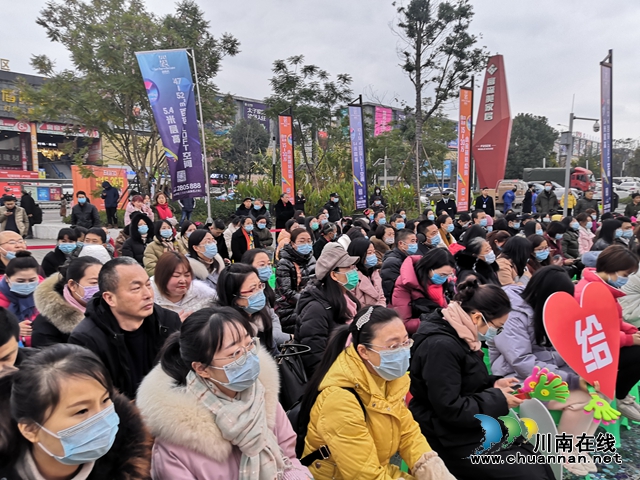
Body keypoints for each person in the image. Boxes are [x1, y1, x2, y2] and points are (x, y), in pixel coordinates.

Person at [136, 307, 310, 479]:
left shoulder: (261, 394)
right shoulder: (176, 442)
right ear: (202, 368)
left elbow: (288, 457)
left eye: (249, 344)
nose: (248, 356)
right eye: (235, 352)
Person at [409, 278, 553, 479]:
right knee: (528, 472)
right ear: (477, 318)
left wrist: (493, 383)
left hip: (464, 427)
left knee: (532, 460)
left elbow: (462, 381)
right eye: (498, 327)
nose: (498, 333)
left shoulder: (460, 333)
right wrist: (499, 399)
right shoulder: (441, 346)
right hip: (446, 435)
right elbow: (451, 408)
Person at [298, 306, 453, 480]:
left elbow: (409, 433)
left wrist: (434, 471)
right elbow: (365, 475)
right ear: (363, 351)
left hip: (377, 468)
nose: (403, 351)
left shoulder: (388, 379)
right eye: (393, 346)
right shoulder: (340, 400)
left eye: (405, 342)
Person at [489, 267, 597, 476]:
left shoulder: (544, 309)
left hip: (542, 372)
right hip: (515, 380)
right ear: (546, 295)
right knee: (582, 398)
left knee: (598, 392)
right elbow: (521, 361)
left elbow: (556, 350)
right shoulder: (513, 315)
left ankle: (579, 445)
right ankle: (565, 450)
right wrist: (571, 379)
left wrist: (582, 374)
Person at [0, 344, 151, 480]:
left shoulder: (129, 465)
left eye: (105, 400)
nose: (102, 419)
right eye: (81, 411)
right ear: (31, 430)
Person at [68, 257, 180, 398]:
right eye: (136, 288)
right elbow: (92, 396)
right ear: (110, 298)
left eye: (148, 285)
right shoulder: (87, 339)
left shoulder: (168, 321)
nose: (147, 295)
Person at [574, 246, 640, 418]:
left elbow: (614, 321)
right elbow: (596, 335)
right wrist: (629, 340)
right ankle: (620, 396)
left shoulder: (602, 286)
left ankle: (621, 394)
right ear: (613, 268)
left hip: (606, 343)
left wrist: (631, 332)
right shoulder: (588, 292)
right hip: (592, 351)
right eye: (625, 275)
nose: (625, 280)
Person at [295, 243, 361, 378]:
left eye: (353, 267)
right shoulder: (316, 309)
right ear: (334, 275)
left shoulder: (348, 299)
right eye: (348, 268)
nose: (354, 271)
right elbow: (315, 358)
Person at [217, 263, 290, 354]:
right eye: (252, 289)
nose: (259, 292)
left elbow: (273, 349)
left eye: (260, 286)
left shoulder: (261, 314)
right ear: (233, 296)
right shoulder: (228, 329)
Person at [31, 257, 102, 347]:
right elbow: (49, 358)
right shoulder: (48, 322)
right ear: (72, 285)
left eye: (103, 281)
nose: (101, 287)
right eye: (94, 282)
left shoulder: (112, 309)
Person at [391, 248, 456, 335]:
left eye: (448, 275)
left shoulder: (438, 283)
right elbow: (404, 323)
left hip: (439, 329)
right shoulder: (405, 285)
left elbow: (442, 308)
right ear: (429, 268)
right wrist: (439, 320)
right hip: (419, 335)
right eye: (442, 275)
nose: (444, 278)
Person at [275, 228, 316, 334]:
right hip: (289, 308)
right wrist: (307, 301)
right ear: (293, 244)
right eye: (301, 241)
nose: (306, 244)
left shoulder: (312, 259)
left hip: (310, 303)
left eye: (309, 241)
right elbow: (286, 292)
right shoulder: (285, 263)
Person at [151, 251, 216, 317]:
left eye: (187, 275)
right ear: (162, 276)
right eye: (176, 275)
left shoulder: (204, 296)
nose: (183, 280)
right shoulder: (150, 302)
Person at [0, 252, 43, 347]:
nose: (27, 284)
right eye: (20, 281)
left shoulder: (46, 294)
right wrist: (12, 329)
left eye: (32, 280)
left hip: (41, 347)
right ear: (7, 278)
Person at [380, 228, 418, 303]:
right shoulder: (392, 262)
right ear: (401, 243)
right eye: (412, 241)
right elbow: (392, 289)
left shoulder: (407, 258)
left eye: (416, 241)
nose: (415, 244)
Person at [347, 237, 386, 308]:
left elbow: (381, 297)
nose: (373, 256)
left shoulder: (374, 272)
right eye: (369, 253)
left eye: (374, 252)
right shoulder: (351, 276)